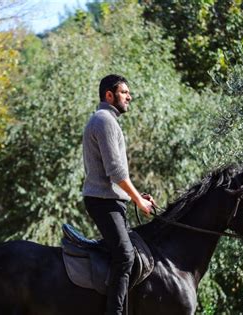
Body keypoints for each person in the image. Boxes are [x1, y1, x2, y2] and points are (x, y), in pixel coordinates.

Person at [82, 74, 156, 315]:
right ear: (109, 95)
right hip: (103, 202)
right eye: (125, 92)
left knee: (125, 252)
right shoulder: (104, 120)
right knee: (125, 256)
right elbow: (116, 172)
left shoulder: (105, 120)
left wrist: (135, 197)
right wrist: (138, 201)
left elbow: (115, 176)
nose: (129, 97)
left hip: (110, 200)